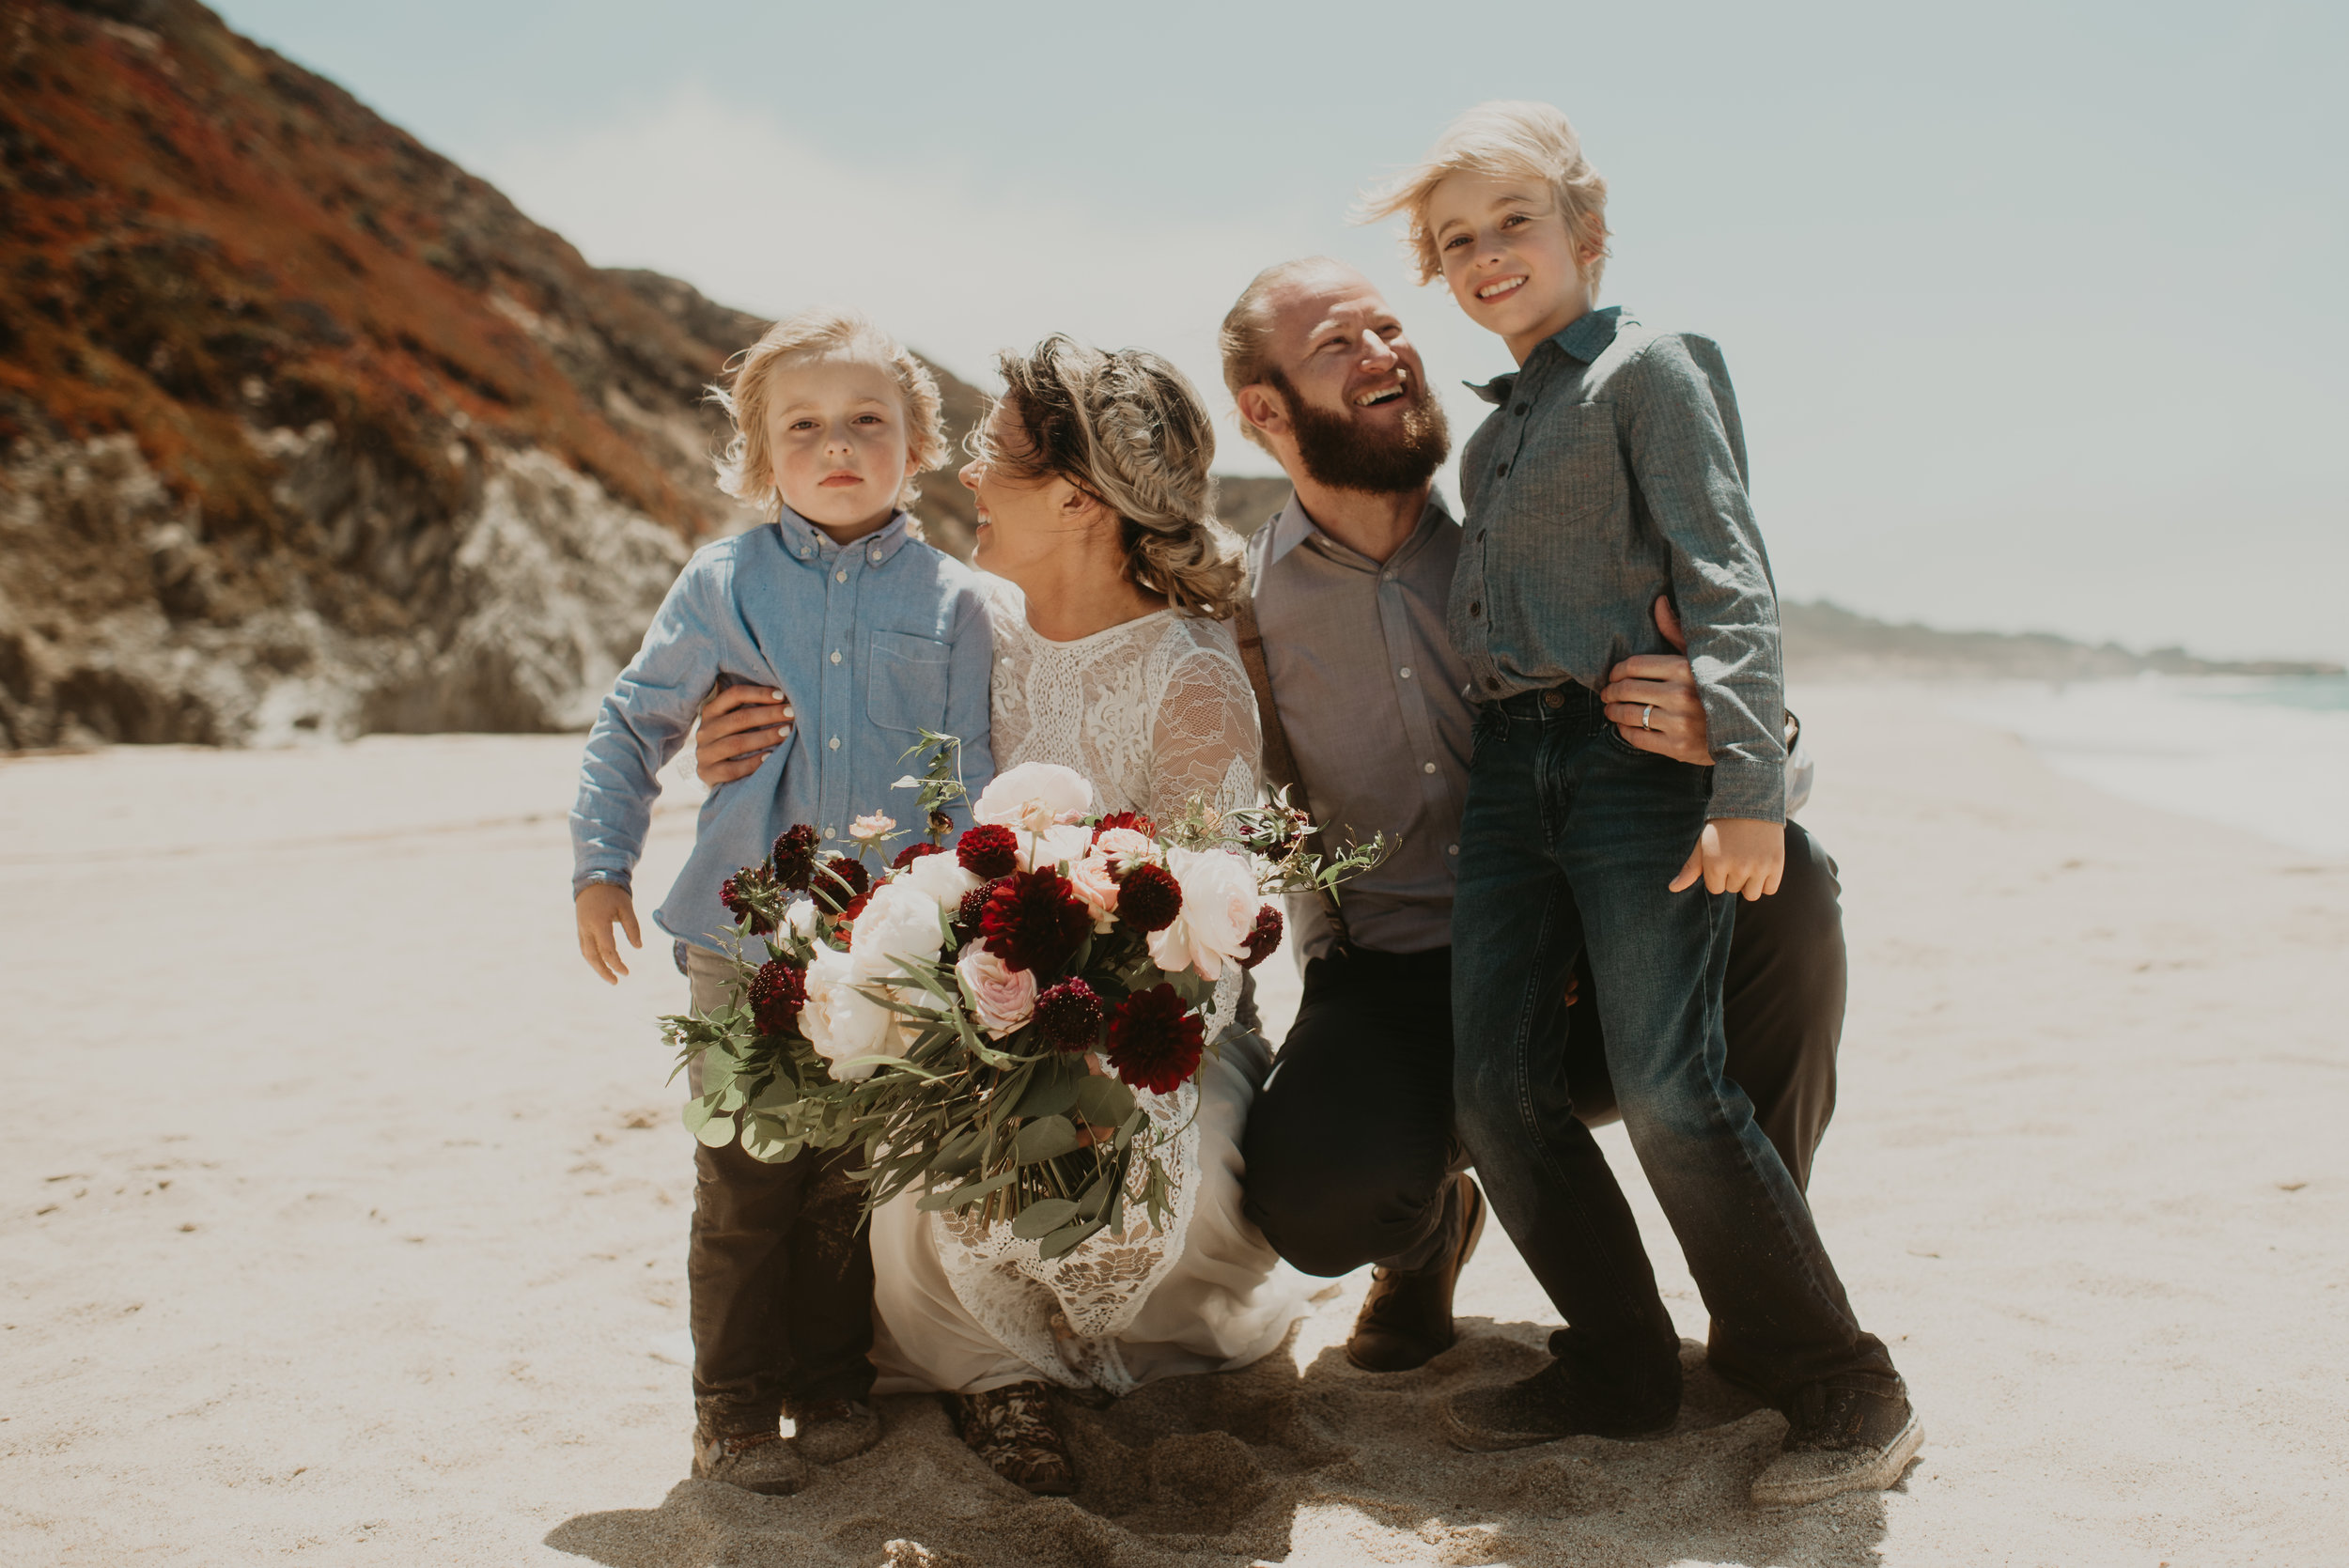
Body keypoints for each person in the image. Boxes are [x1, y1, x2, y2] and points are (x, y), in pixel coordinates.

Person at [1349, 101, 1917, 1506]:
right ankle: (1620, 1361)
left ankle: (1847, 1382)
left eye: (1514, 224)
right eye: (1456, 240)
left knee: (1671, 1085)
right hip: (1509, 776)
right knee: (1495, 1092)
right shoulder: (1492, 440)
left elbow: (1724, 571)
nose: (1487, 254)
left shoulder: (1654, 367)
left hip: (1630, 765)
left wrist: (1746, 780)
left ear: (1586, 236)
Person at [1218, 252, 1845, 1383]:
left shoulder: (1538, 550)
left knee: (1788, 884)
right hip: (1402, 981)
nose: (1386, 352)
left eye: (1389, 327)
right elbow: (1255, 823)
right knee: (1316, 1203)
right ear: (1264, 410)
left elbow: (1730, 648)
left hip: (1600, 941)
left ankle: (1762, 1270)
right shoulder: (1241, 609)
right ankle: (1427, 1235)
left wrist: (1749, 743)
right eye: (1337, 344)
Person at [701, 337, 1301, 1497]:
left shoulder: (1188, 677)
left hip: (1148, 1034)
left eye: (992, 455)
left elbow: (1208, 949)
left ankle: (1066, 1348)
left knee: (1143, 1159)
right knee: (899, 1183)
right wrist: (723, 729)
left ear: (1076, 499)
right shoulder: (964, 619)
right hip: (974, 1006)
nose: (965, 477)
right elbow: (813, 695)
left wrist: (1071, 1024)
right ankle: (991, 1377)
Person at [568, 308, 996, 1495]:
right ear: (760, 457)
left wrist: (957, 930)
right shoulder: (724, 580)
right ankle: (735, 1408)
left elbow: (968, 779)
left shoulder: (957, 601)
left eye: (869, 420)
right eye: (802, 425)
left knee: (849, 1177)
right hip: (742, 932)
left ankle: (830, 1382)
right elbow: (633, 722)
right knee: (745, 1174)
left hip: (887, 944)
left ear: (915, 444)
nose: (838, 444)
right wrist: (600, 865)